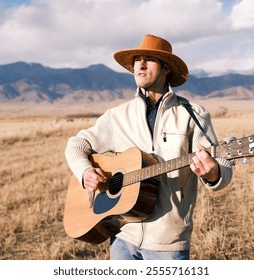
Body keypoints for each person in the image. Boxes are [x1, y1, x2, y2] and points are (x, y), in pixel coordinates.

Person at [65, 34, 233, 260]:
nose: (140, 65)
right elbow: (76, 144)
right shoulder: (117, 116)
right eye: (137, 60)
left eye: (149, 60)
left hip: (168, 242)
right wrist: (85, 171)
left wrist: (213, 174)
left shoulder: (192, 115)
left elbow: (222, 165)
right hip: (123, 235)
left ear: (166, 69)